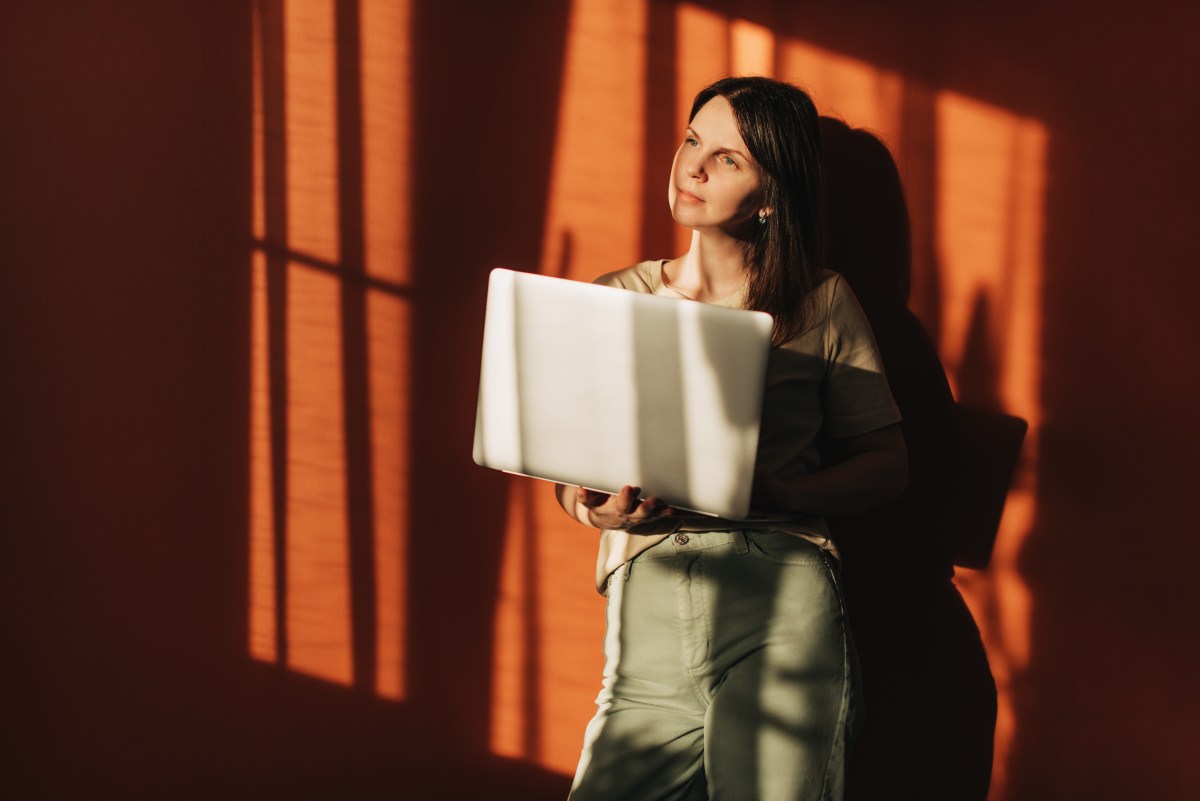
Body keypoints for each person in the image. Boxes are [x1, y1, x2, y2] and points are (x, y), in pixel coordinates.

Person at [555, 76, 908, 801]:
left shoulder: (821, 301)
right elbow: (569, 472)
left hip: (779, 596)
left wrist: (780, 490)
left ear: (772, 195)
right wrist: (598, 510)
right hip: (647, 608)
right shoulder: (615, 298)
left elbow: (886, 464)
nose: (693, 166)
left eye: (729, 159)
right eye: (692, 141)